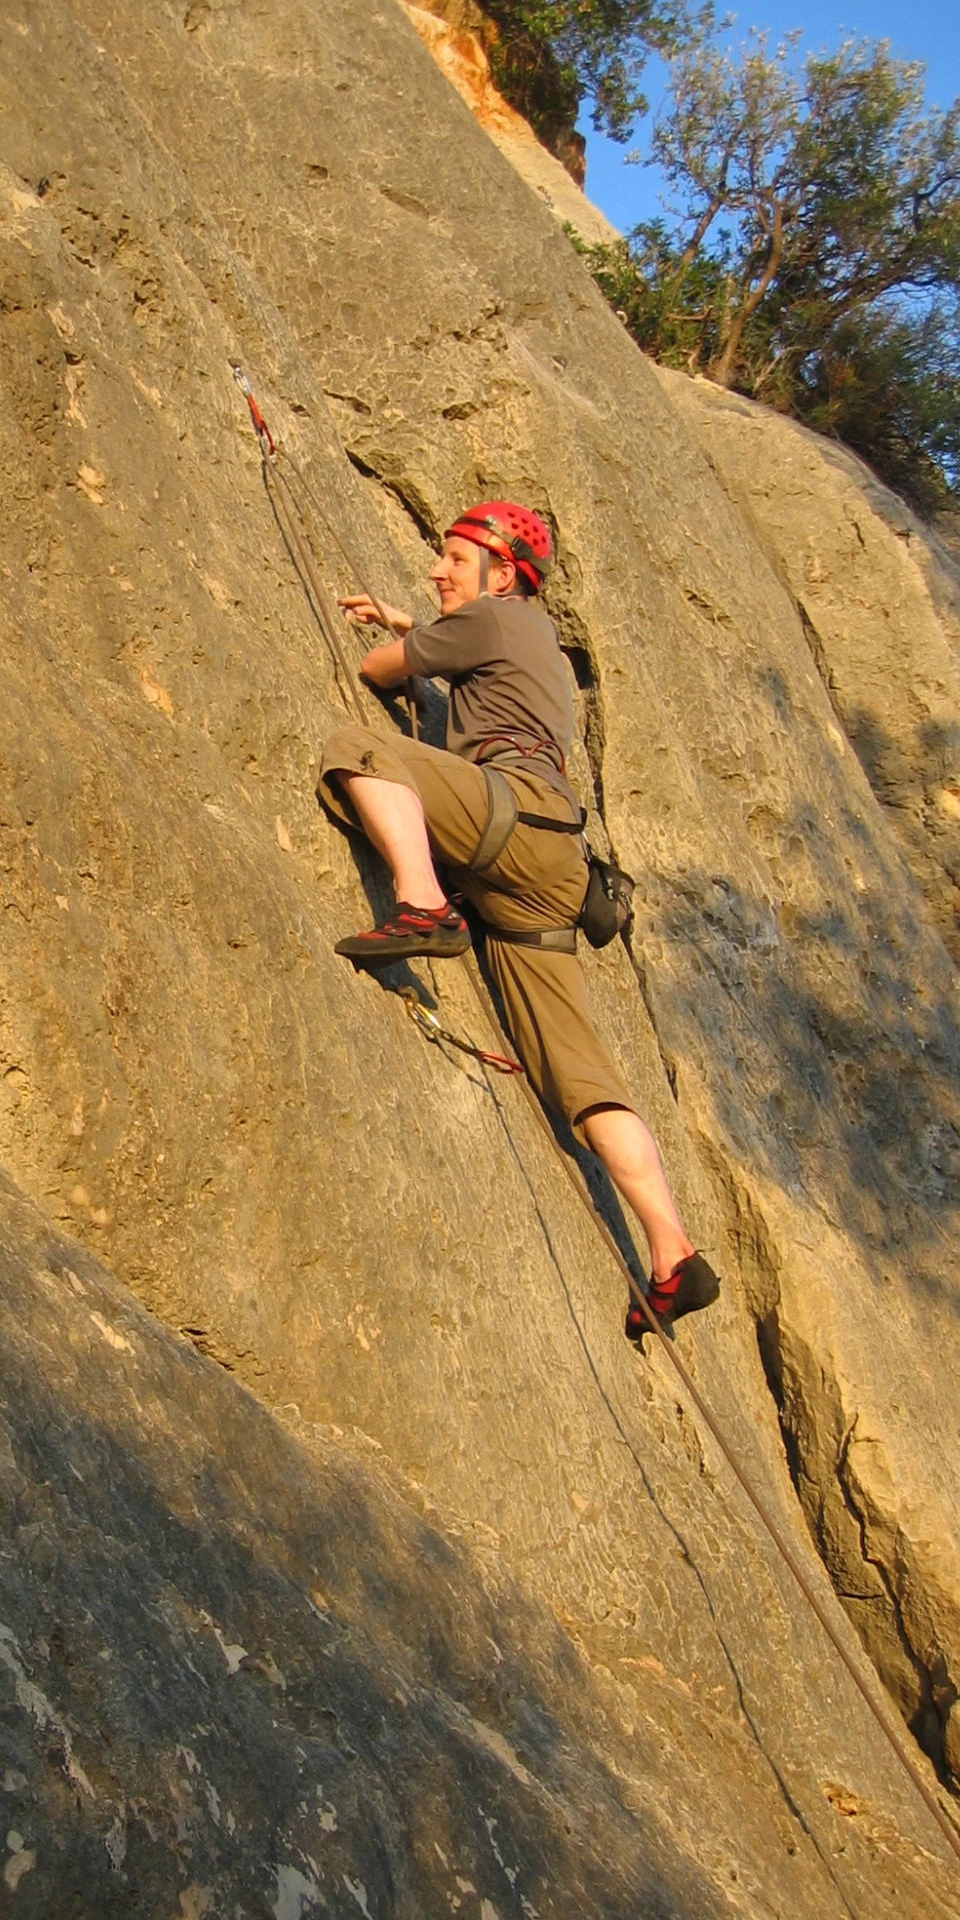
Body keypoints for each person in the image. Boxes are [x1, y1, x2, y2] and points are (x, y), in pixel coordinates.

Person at [316, 502, 719, 1341]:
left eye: (455, 560)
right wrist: (423, 624)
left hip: (507, 817)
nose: (437, 571)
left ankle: (422, 902)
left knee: (362, 749)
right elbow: (468, 658)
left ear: (503, 575)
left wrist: (404, 637)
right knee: (578, 1072)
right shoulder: (531, 641)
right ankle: (672, 1250)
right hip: (549, 865)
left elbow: (378, 669)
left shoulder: (492, 619)